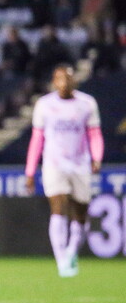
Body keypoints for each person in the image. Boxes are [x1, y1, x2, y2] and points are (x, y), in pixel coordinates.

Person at [25, 65, 103, 277]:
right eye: (60, 79)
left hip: (80, 164)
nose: (64, 83)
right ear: (54, 81)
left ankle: (71, 252)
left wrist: (97, 157)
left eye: (68, 78)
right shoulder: (44, 104)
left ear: (74, 81)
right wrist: (30, 170)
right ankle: (61, 260)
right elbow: (37, 139)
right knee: (58, 208)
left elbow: (95, 134)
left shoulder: (87, 103)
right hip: (54, 164)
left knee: (80, 214)